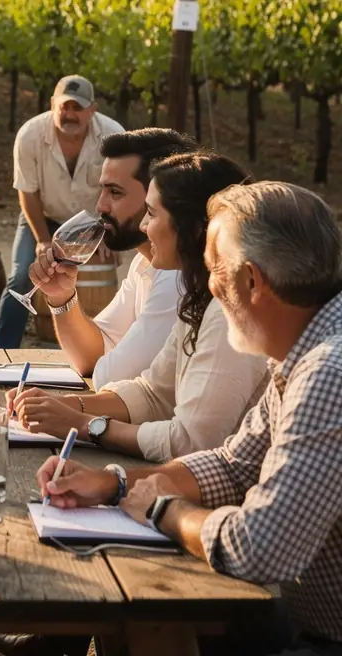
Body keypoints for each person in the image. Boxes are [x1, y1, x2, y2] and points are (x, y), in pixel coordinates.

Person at [31, 182, 342, 656]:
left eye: (216, 268)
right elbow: (234, 466)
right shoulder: (302, 351)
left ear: (252, 281)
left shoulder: (327, 372)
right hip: (310, 618)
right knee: (143, 615)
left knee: (150, 613)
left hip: (324, 636)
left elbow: (259, 548)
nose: (209, 284)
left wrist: (163, 511)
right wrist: (115, 484)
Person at [10, 152, 268, 463]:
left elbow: (190, 442)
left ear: (195, 227)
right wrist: (65, 405)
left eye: (151, 213)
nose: (143, 226)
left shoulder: (229, 312)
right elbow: (153, 393)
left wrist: (84, 424)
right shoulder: (201, 296)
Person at [28, 128, 194, 388]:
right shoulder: (143, 263)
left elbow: (111, 376)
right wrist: (62, 298)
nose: (100, 206)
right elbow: (92, 359)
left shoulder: (177, 276)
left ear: (159, 196)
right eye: (102, 190)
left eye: (115, 193)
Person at [0, 75, 124, 348]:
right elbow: (27, 192)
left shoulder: (115, 138)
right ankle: (2, 352)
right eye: (64, 106)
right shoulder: (30, 135)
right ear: (53, 104)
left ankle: (100, 351)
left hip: (93, 223)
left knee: (111, 274)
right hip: (43, 215)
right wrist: (41, 238)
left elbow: (120, 190)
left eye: (78, 108)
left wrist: (107, 232)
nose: (70, 114)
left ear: (93, 110)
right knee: (21, 275)